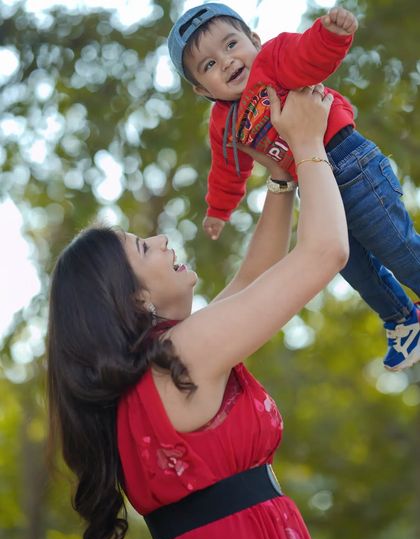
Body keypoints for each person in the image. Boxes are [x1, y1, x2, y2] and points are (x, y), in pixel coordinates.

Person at [47, 86, 348, 539]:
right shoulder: (182, 356)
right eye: (144, 247)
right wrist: (309, 144)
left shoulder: (158, 368)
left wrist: (279, 177)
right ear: (134, 297)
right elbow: (326, 251)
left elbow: (255, 278)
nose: (163, 239)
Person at [167, 2, 420, 372]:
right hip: (317, 190)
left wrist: (331, 35)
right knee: (351, 265)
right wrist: (219, 211)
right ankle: (402, 319)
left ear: (254, 40)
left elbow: (309, 56)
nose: (225, 61)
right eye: (208, 65)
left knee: (395, 245)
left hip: (348, 162)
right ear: (201, 88)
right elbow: (228, 171)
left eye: (231, 45)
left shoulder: (274, 61)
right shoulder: (224, 124)